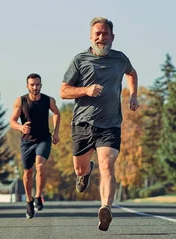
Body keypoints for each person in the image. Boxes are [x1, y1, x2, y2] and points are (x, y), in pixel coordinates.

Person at [60, 17, 138, 231]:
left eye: (105, 34)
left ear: (113, 37)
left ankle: (106, 208)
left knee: (107, 163)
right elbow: (63, 91)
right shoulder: (80, 60)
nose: (101, 38)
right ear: (91, 36)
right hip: (82, 123)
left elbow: (132, 73)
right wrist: (85, 90)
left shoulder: (120, 59)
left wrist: (133, 95)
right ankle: (84, 173)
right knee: (79, 167)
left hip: (110, 124)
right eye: (98, 34)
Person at [10, 73, 61, 219]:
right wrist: (21, 128)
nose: (35, 87)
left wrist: (56, 132)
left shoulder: (48, 100)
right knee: (28, 172)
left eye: (37, 84)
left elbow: (56, 113)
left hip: (44, 139)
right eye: (32, 85)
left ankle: (38, 195)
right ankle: (29, 200)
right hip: (27, 142)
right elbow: (12, 121)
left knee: (40, 165)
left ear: (41, 85)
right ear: (27, 86)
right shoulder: (21, 101)